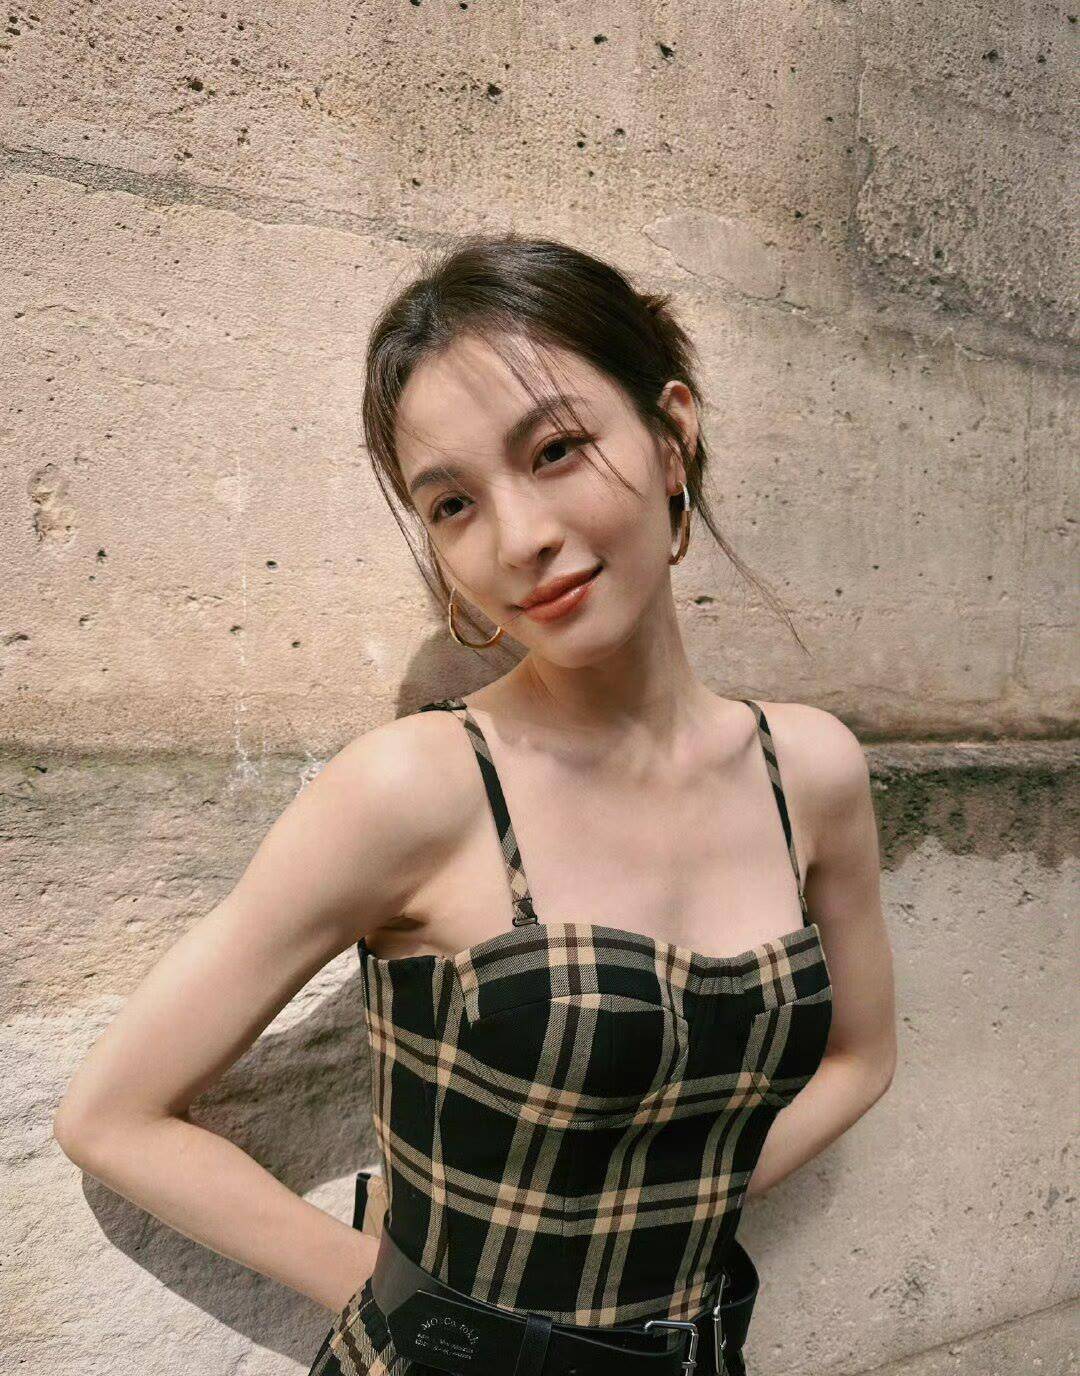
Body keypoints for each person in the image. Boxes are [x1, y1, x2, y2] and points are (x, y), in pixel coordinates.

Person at [53, 233, 896, 1376]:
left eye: (556, 449)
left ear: (671, 435)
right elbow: (111, 1115)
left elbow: (859, 1057)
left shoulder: (813, 769)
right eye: (452, 503)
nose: (519, 538)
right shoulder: (417, 785)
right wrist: (418, 1308)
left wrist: (669, 1206)